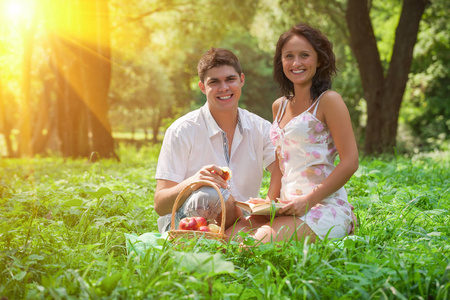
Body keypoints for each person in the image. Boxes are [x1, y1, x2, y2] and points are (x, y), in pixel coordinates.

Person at [226, 23, 359, 243]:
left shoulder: (328, 101)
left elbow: (350, 161)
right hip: (286, 206)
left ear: (320, 60)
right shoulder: (279, 106)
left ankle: (345, 222)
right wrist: (269, 203)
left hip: (322, 207)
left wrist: (307, 200)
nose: (296, 63)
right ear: (281, 62)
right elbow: (280, 164)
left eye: (304, 55)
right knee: (227, 237)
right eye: (289, 56)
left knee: (252, 244)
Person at [154, 47, 279, 233]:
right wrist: (194, 182)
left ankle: (238, 233)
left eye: (230, 79)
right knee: (212, 195)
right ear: (203, 87)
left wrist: (269, 203)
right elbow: (160, 204)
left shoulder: (260, 128)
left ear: (241, 80)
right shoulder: (181, 131)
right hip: (187, 226)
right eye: (214, 82)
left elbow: (281, 171)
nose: (224, 88)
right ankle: (238, 233)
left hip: (242, 220)